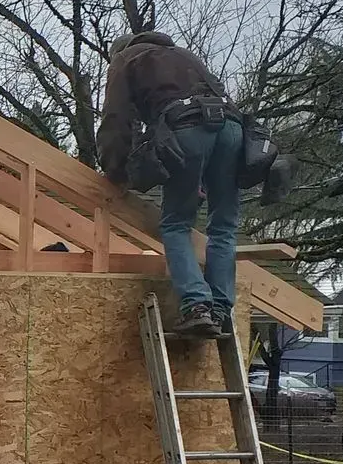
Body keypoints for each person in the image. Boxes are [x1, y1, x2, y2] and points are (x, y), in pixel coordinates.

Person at [95, 31, 243, 339]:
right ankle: (220, 309)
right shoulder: (185, 56)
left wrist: (115, 169)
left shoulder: (125, 60)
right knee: (224, 227)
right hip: (231, 130)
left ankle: (197, 305)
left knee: (176, 224)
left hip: (186, 127)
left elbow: (116, 119)